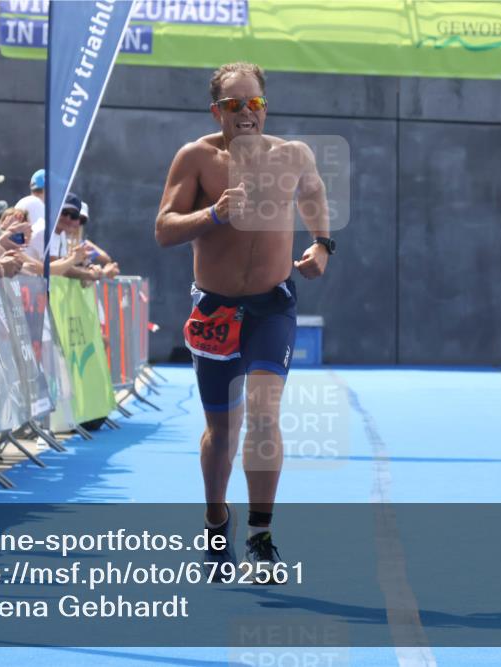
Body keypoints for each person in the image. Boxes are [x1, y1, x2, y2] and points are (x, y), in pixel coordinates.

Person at [155, 62, 333, 580]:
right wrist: (213, 215)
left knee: (262, 413)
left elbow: (315, 195)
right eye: (233, 105)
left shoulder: (293, 155)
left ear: (264, 106)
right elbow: (164, 229)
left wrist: (322, 244)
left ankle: (260, 534)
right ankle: (216, 519)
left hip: (272, 306)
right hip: (214, 310)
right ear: (217, 111)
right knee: (222, 430)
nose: (245, 113)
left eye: (252, 103)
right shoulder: (196, 158)